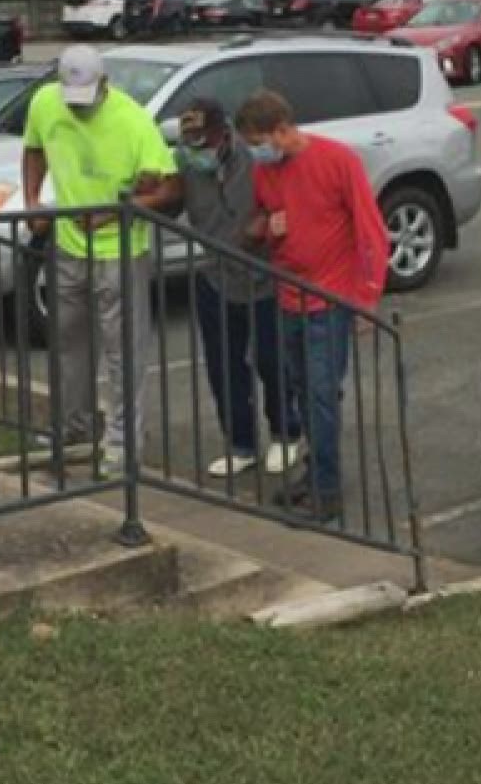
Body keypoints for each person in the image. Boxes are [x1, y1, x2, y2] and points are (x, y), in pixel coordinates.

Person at [22, 45, 181, 478]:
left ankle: (123, 444)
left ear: (104, 85)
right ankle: (73, 426)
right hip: (69, 244)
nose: (80, 108)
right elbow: (33, 149)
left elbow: (169, 190)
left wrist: (115, 211)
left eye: (87, 99)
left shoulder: (132, 122)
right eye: (73, 98)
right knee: (69, 338)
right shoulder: (45, 102)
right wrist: (34, 199)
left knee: (122, 350)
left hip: (121, 249)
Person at [236, 89, 389, 522]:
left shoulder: (337, 160)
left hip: (328, 300)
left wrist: (366, 296)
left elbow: (370, 230)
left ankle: (327, 489)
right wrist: (266, 228)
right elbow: (263, 224)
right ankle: (315, 472)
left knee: (321, 395)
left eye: (260, 142)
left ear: (282, 130)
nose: (258, 153)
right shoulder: (266, 174)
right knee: (303, 391)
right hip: (288, 296)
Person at [173, 98, 305, 479]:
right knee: (224, 366)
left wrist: (263, 222)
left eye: (204, 142)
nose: (198, 151)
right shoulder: (187, 162)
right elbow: (174, 199)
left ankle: (286, 432)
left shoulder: (257, 157)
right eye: (190, 143)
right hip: (214, 272)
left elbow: (285, 200)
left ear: (223, 133)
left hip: (262, 272)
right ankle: (241, 442)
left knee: (271, 357)